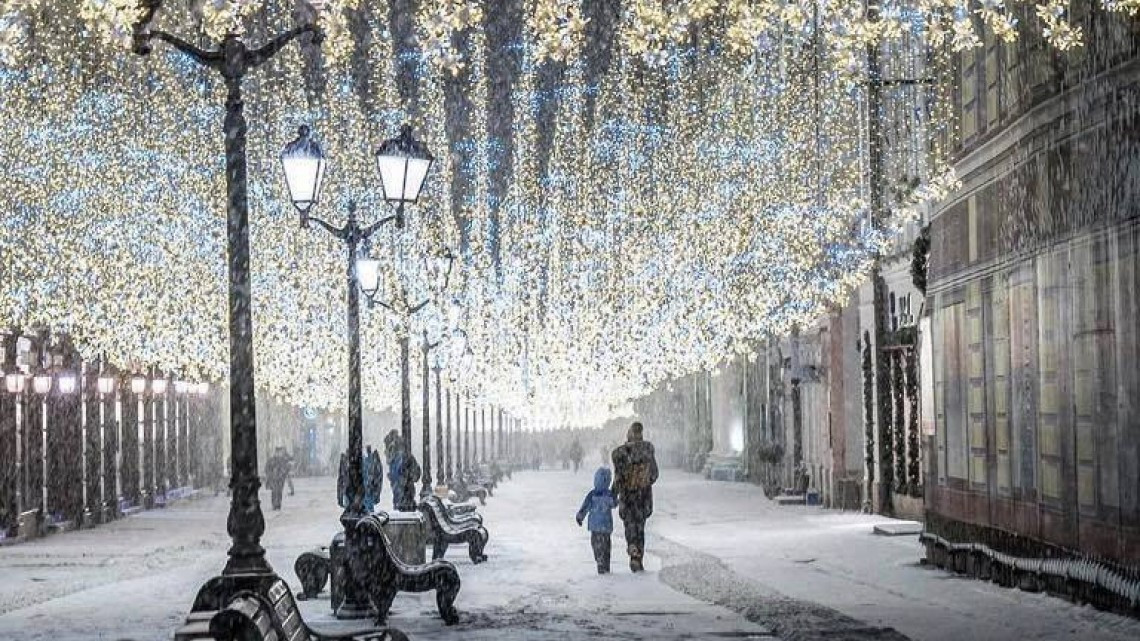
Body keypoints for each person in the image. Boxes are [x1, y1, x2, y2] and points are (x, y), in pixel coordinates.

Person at [611, 421, 659, 572]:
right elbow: (654, 474)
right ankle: (638, 556)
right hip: (643, 497)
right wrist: (643, 482)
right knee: (640, 527)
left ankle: (632, 548)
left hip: (627, 497)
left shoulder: (620, 454)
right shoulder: (647, 451)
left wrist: (613, 494)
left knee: (629, 525)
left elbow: (618, 478)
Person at [576, 467, 616, 574]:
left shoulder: (592, 494)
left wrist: (580, 517)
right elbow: (614, 504)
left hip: (594, 526)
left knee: (596, 545)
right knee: (606, 547)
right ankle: (605, 564)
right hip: (606, 526)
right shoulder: (609, 494)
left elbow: (585, 507)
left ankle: (599, 560)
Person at [265, 446, 289, 511]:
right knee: (274, 492)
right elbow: (267, 469)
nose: (278, 454)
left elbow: (286, 469)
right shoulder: (271, 460)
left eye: (279, 452)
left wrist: (282, 474)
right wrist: (271, 475)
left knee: (279, 492)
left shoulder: (282, 461)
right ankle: (274, 505)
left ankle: (278, 505)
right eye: (277, 452)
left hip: (280, 479)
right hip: (273, 479)